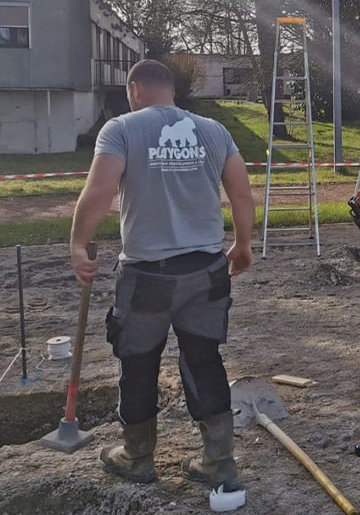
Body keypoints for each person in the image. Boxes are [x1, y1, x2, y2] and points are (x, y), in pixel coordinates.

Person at [70, 59, 255, 491]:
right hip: (207, 270)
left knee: (138, 365)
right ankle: (218, 461)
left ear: (135, 89)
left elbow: (98, 191)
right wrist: (243, 244)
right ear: (172, 89)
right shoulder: (213, 130)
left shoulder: (121, 129)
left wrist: (79, 244)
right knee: (204, 360)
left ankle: (136, 457)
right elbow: (242, 193)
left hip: (148, 275)